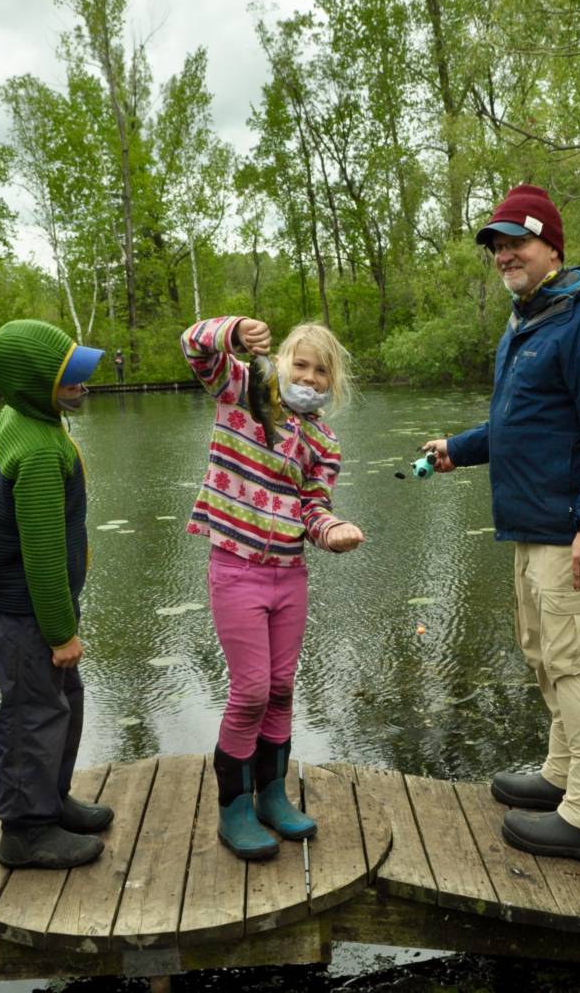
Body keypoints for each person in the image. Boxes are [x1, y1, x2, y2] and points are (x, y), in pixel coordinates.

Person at [421, 184, 580, 867]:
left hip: (571, 530)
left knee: (578, 665)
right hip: (533, 528)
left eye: (516, 241)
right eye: (495, 245)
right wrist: (459, 447)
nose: (503, 254)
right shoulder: (531, 321)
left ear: (552, 244)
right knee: (545, 654)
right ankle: (565, 772)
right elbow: (524, 423)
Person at [181, 315, 365, 859]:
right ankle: (233, 810)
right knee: (252, 691)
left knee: (282, 687)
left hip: (290, 573)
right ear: (280, 362)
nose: (308, 377)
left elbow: (314, 504)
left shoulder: (323, 438)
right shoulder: (242, 390)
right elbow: (196, 349)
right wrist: (233, 332)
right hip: (236, 568)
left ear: (333, 382)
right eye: (300, 364)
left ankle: (272, 796)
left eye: (321, 371)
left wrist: (332, 531)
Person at [0, 319, 112, 869]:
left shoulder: (27, 414)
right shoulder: (35, 450)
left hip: (38, 608)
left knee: (62, 704)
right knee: (32, 715)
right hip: (30, 610)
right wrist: (60, 632)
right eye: (68, 378)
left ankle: (50, 800)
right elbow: (40, 554)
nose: (81, 384)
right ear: (34, 384)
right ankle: (26, 831)